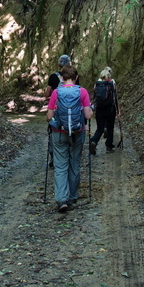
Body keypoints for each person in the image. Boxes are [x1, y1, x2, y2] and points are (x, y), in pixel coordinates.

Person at [46, 64, 92, 212]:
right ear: (76, 78)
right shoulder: (82, 92)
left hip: (59, 133)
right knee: (75, 163)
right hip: (78, 133)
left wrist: (54, 124)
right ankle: (72, 197)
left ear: (62, 78)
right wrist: (92, 108)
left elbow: (49, 116)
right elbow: (88, 115)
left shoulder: (56, 93)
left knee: (60, 166)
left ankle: (61, 199)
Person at [88, 67, 119, 156]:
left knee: (100, 129)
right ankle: (109, 146)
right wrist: (118, 110)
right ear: (109, 76)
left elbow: (94, 98)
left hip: (99, 110)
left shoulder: (97, 85)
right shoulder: (111, 84)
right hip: (110, 109)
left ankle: (94, 141)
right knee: (110, 128)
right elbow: (115, 98)